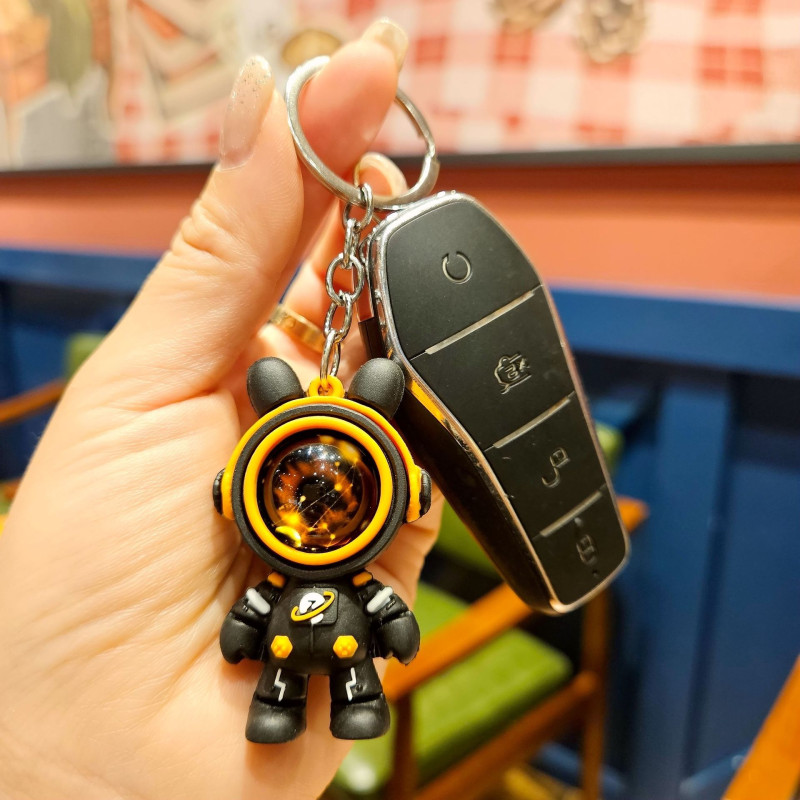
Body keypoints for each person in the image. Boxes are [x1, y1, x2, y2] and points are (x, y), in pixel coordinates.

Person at [0, 20, 442, 800]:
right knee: (281, 677)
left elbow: (365, 602)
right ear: (235, 492)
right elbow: (255, 611)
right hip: (274, 642)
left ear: (398, 495)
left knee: (348, 676)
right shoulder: (274, 549)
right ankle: (281, 706)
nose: (317, 495)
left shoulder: (342, 550)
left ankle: (354, 702)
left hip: (330, 632)